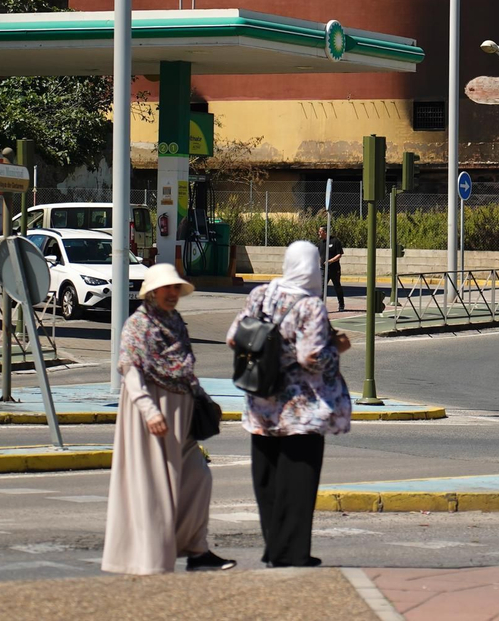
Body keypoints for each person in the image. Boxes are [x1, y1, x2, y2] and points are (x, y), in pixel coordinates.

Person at [227, 241, 352, 568]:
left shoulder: (259, 295)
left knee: (267, 483)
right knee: (297, 486)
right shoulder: (311, 306)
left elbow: (233, 337)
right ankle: (292, 553)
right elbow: (310, 356)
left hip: (260, 404)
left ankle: (274, 549)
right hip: (301, 411)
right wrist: (336, 347)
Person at [102, 264, 234, 575]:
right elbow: (130, 371)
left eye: (176, 288)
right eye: (167, 288)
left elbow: (183, 369)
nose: (173, 293)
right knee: (154, 489)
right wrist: (149, 411)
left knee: (197, 478)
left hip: (181, 414)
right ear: (152, 292)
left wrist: (204, 399)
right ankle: (152, 560)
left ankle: (196, 549)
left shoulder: (175, 322)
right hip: (152, 414)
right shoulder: (137, 325)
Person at [317, 225, 345, 312]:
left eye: (320, 231)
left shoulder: (335, 241)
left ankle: (341, 305)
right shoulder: (321, 243)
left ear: (325, 232)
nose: (319, 233)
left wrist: (330, 261)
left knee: (337, 287)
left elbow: (339, 254)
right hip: (323, 269)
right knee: (321, 287)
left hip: (334, 269)